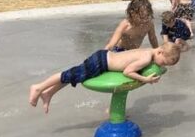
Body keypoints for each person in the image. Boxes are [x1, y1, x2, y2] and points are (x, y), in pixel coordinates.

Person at [28, 43, 182, 113]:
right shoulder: (147, 58)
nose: (162, 65)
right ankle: (39, 87)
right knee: (68, 75)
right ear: (161, 52)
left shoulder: (150, 50)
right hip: (100, 63)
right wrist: (146, 80)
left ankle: (48, 94)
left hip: (103, 57)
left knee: (73, 76)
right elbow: (128, 72)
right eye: (164, 63)